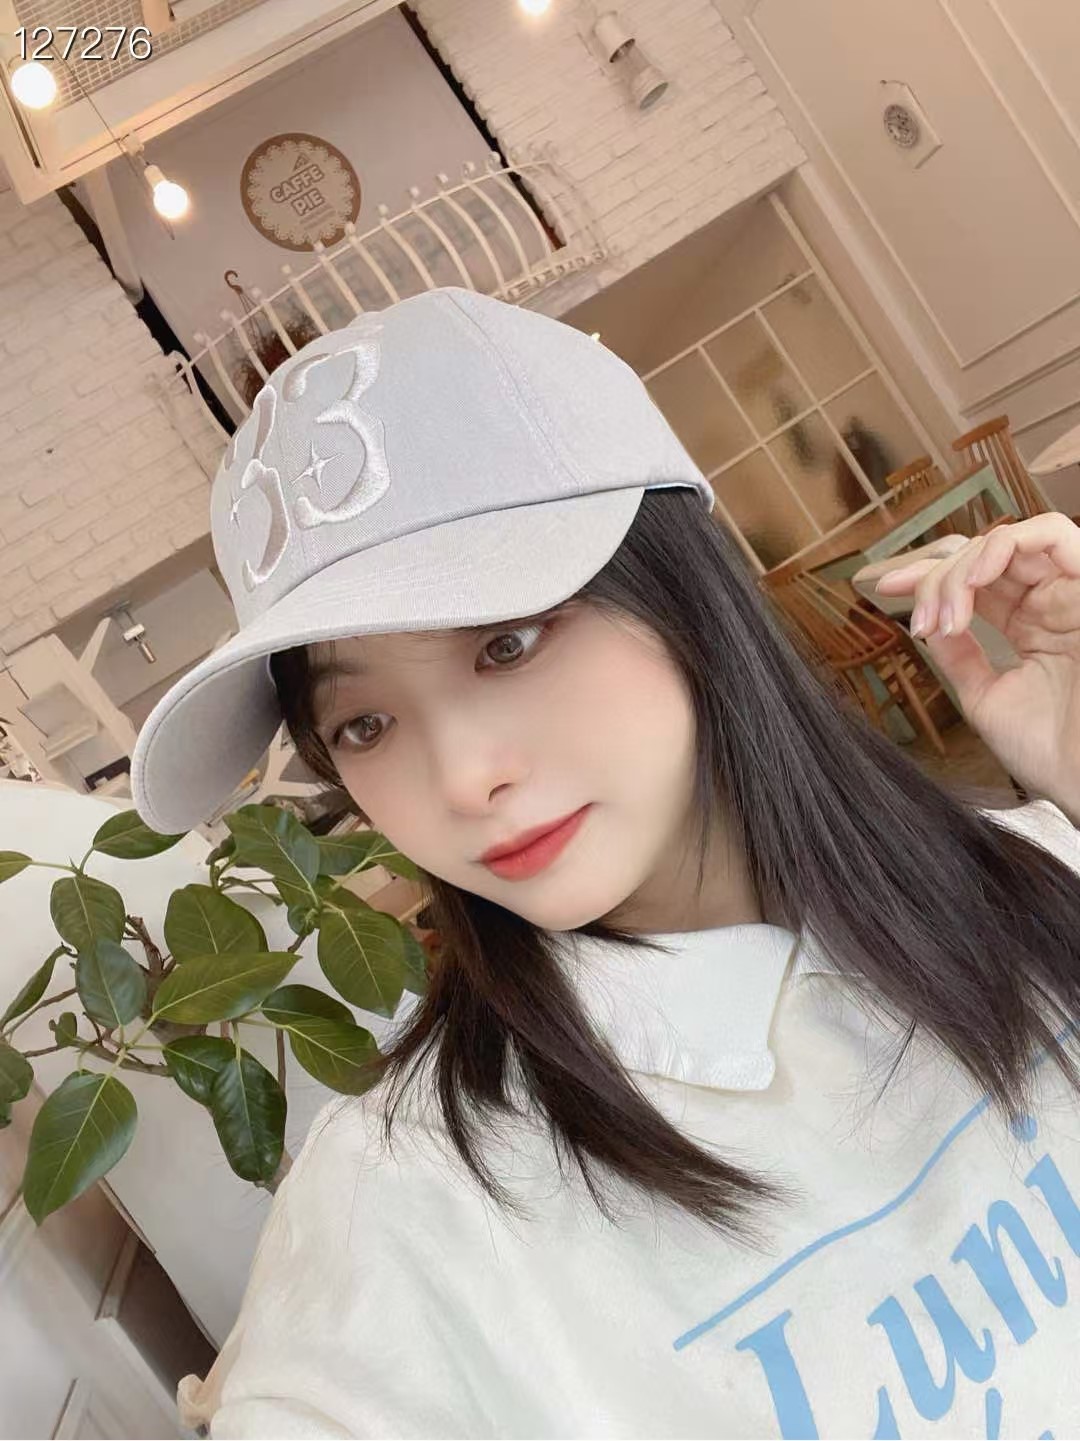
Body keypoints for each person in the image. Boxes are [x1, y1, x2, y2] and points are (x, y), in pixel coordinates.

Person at [130, 288, 1080, 1440]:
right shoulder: (410, 1202)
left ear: (682, 589)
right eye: (363, 724)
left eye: (507, 641)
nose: (462, 778)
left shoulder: (1027, 871)